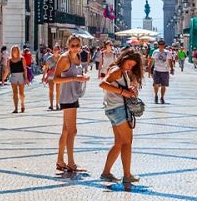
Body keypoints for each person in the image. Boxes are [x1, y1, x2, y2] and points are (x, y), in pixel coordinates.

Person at [99, 48, 144, 186]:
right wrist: (123, 91)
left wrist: (129, 90)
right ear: (124, 59)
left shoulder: (119, 70)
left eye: (132, 66)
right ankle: (127, 175)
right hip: (118, 109)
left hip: (112, 109)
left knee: (119, 142)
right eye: (129, 64)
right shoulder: (117, 69)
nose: (130, 67)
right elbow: (102, 83)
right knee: (127, 142)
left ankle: (106, 173)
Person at [55, 37, 89, 175]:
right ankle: (71, 163)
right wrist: (74, 78)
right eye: (73, 45)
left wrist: (82, 76)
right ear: (68, 45)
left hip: (74, 94)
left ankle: (60, 160)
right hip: (67, 97)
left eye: (77, 45)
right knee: (72, 131)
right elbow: (56, 79)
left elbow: (76, 73)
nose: (75, 47)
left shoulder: (78, 57)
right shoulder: (64, 58)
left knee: (65, 130)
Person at [7, 46, 27, 113]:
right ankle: (16, 108)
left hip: (21, 76)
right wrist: (4, 79)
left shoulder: (22, 59)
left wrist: (26, 78)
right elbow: (7, 70)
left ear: (18, 51)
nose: (14, 51)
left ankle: (22, 104)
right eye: (13, 50)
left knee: (21, 93)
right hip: (13, 76)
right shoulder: (9, 60)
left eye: (15, 50)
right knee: (14, 93)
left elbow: (25, 69)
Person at [44, 45, 60, 111]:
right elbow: (46, 68)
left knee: (58, 91)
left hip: (59, 75)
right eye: (54, 49)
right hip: (51, 76)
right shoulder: (49, 59)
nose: (55, 51)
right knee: (51, 90)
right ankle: (51, 105)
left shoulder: (61, 58)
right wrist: (44, 76)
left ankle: (57, 104)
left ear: (59, 50)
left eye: (56, 49)